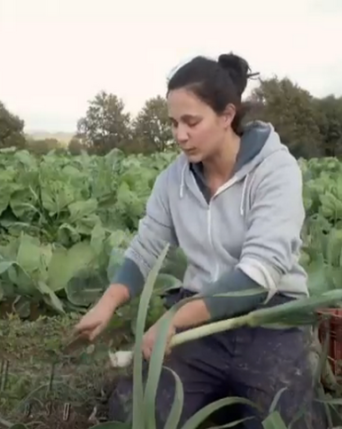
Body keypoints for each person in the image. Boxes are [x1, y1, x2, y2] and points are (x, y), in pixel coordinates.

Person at [74, 53, 323, 429]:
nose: (180, 135)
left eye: (192, 121)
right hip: (200, 326)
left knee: (288, 420)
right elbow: (145, 250)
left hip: (273, 321)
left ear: (226, 116)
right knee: (136, 412)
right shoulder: (173, 181)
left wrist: (174, 319)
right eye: (174, 123)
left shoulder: (275, 170)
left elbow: (259, 275)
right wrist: (106, 305)